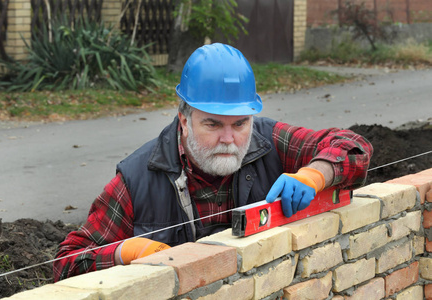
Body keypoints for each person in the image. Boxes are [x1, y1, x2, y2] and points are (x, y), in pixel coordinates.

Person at [53, 43, 373, 281]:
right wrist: (125, 253)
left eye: (240, 124)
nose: (229, 139)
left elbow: (354, 146)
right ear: (184, 120)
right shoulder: (138, 179)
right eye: (212, 124)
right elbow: (67, 264)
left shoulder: (268, 142)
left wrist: (316, 174)